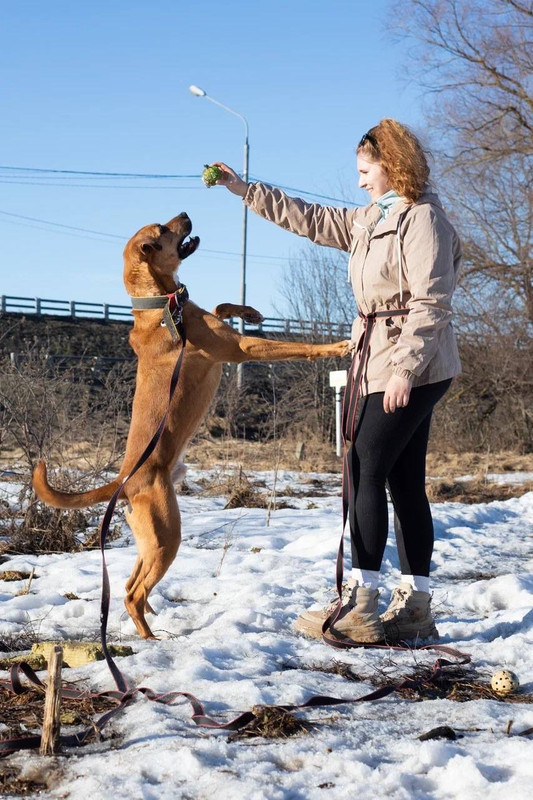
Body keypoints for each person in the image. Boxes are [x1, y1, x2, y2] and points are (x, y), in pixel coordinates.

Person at [214, 118, 462, 645]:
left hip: (412, 362)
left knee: (363, 467)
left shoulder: (423, 219)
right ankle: (416, 607)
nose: (359, 180)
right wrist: (246, 190)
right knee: (401, 479)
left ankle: (362, 603)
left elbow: (432, 303)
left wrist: (405, 370)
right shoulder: (371, 218)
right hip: (376, 357)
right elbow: (310, 218)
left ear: (393, 164)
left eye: (366, 169)